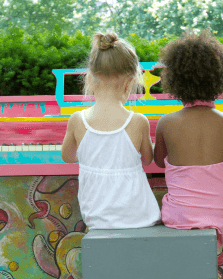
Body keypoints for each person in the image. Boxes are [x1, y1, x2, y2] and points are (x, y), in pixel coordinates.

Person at [154, 29, 223, 248]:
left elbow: (159, 162)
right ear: (219, 78)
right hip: (220, 216)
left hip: (180, 216)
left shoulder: (166, 122)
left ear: (175, 81)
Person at [61, 31, 161, 230]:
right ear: (130, 82)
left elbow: (68, 157)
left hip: (96, 218)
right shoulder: (138, 121)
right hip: (140, 218)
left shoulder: (77, 120)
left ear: (90, 79)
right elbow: (147, 160)